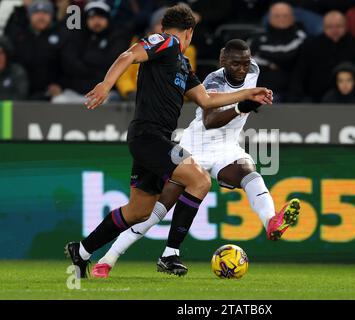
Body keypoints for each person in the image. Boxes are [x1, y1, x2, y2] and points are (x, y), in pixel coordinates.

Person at [65, 4, 273, 279]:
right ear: (189, 32)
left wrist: (248, 93)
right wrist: (106, 84)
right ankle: (170, 253)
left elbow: (208, 100)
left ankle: (81, 251)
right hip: (149, 136)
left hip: (155, 139)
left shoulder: (183, 65)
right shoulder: (166, 42)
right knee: (199, 180)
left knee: (138, 211)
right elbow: (128, 55)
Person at [91, 40, 301, 278]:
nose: (242, 68)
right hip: (195, 147)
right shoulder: (213, 81)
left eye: (244, 62)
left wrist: (256, 101)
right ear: (223, 61)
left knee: (251, 175)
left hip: (227, 147)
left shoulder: (254, 69)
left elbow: (248, 101)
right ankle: (108, 259)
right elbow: (210, 121)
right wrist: (242, 107)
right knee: (156, 210)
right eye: (235, 64)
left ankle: (270, 222)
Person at [288, 10, 355, 102]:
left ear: (346, 26)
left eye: (339, 26)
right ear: (323, 27)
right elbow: (300, 73)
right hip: (315, 97)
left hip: (348, 97)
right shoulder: (311, 45)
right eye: (330, 27)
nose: (334, 30)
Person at [56, 1, 130, 103]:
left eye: (100, 17)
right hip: (76, 91)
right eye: (92, 18)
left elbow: (111, 64)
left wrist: (85, 64)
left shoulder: (117, 37)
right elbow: (69, 64)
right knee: (59, 100)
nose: (96, 21)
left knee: (112, 100)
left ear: (108, 19)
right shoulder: (77, 37)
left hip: (105, 93)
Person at [250, 2, 307, 102]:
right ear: (270, 18)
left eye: (285, 16)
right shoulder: (259, 37)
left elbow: (287, 55)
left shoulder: (300, 35)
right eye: (277, 16)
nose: (281, 19)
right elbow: (250, 60)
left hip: (293, 93)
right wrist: (269, 63)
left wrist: (263, 54)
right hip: (262, 92)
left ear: (292, 18)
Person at [7, 0, 62, 100]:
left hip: (49, 93)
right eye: (36, 13)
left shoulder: (60, 35)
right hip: (20, 90)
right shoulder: (19, 36)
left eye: (45, 13)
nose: (41, 17)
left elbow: (67, 65)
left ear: (51, 15)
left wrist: (60, 84)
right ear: (29, 16)